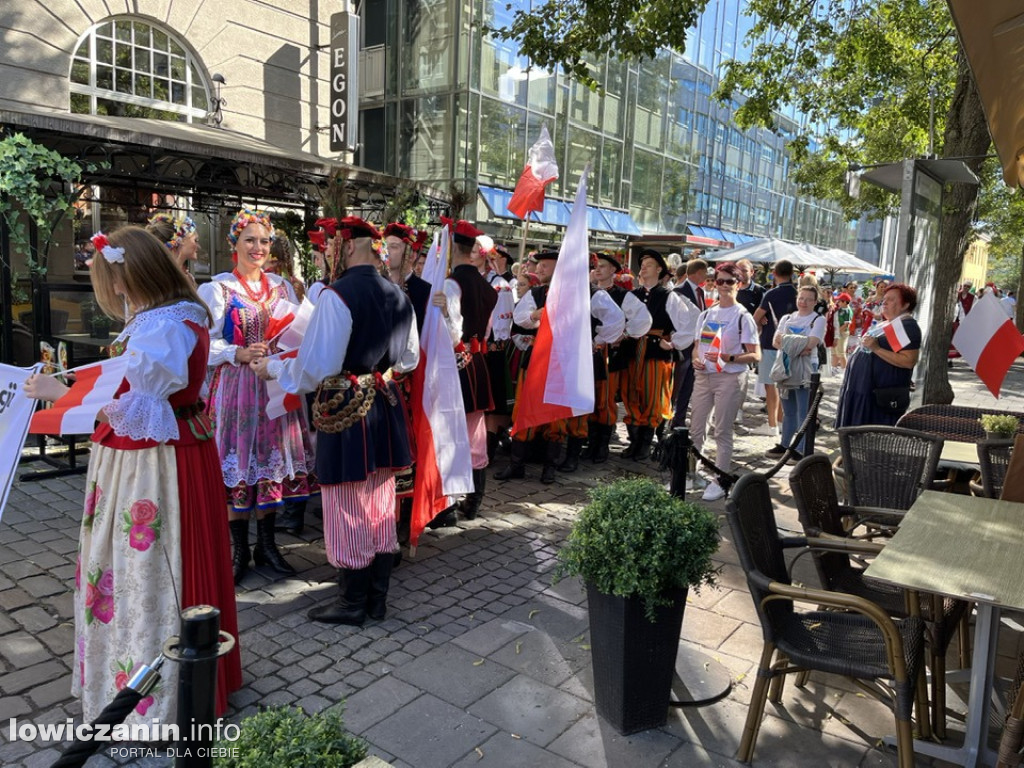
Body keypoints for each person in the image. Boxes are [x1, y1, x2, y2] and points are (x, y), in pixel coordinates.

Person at [24, 227, 241, 726]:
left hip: (153, 464)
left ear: (127, 276)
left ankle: (151, 697)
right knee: (172, 564)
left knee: (145, 568)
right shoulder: (172, 315)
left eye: (112, 280)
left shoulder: (161, 324)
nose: (112, 292)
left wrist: (59, 396)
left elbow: (137, 409)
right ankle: (187, 678)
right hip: (175, 450)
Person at [253, 216, 418, 625]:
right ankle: (376, 599)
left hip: (346, 405)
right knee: (379, 497)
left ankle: (351, 603)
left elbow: (316, 368)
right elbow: (410, 358)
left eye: (330, 245)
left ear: (345, 247)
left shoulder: (337, 295)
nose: (327, 252)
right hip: (384, 399)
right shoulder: (398, 293)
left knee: (345, 502)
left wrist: (274, 369)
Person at [198, 208, 315, 584]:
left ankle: (267, 544)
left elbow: (296, 333)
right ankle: (238, 551)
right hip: (236, 391)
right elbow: (201, 345)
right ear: (234, 244)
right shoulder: (217, 289)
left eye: (264, 241)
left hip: (275, 387)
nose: (258, 247)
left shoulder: (281, 287)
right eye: (249, 239)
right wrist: (237, 352)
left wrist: (282, 352)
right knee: (239, 466)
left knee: (270, 462)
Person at [428, 221, 498, 525]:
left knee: (451, 433)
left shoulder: (452, 284)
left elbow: (453, 333)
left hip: (457, 363)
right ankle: (473, 500)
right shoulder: (486, 285)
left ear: (453, 248)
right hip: (478, 363)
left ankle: (449, 506)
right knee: (474, 432)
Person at [689, 261, 761, 501]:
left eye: (729, 281)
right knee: (697, 428)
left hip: (729, 377)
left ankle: (720, 478)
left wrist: (728, 357)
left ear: (738, 284)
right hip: (704, 376)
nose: (723, 285)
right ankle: (692, 472)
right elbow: (697, 346)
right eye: (719, 280)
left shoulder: (743, 316)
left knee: (722, 430)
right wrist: (696, 360)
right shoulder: (707, 313)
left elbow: (755, 354)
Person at [622, 249, 699, 460]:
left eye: (649, 263)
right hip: (633, 349)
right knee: (631, 395)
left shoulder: (669, 296)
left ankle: (645, 443)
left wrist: (673, 343)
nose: (644, 266)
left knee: (654, 397)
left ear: (659, 269)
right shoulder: (632, 295)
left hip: (656, 351)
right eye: (642, 263)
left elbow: (689, 323)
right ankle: (634, 441)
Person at [587, 251, 652, 463]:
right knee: (589, 398)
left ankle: (601, 446)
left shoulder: (624, 295)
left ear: (614, 271)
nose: (598, 269)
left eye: (603, 266)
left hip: (610, 355)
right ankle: (589, 441)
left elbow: (644, 320)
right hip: (586, 354)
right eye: (596, 266)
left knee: (605, 399)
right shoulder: (586, 291)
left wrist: (622, 335)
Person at [835, 283, 921, 428]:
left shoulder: (905, 326)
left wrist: (876, 348)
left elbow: (908, 361)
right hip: (861, 392)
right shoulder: (889, 323)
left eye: (891, 299)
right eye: (884, 298)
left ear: (906, 304)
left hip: (875, 398)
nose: (884, 302)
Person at [768, 286, 825, 461]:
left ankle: (800, 448)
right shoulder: (787, 318)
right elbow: (775, 342)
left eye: (809, 299)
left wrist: (788, 343)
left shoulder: (818, 320)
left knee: (803, 410)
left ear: (815, 302)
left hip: (806, 369)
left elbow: (812, 342)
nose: (804, 302)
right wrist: (799, 346)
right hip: (786, 367)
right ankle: (785, 444)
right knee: (788, 410)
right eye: (801, 298)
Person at [752, 259, 797, 440]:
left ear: (774, 273)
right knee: (786, 386)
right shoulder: (797, 293)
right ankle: (780, 422)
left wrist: (762, 322)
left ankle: (772, 424)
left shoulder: (771, 294)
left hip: (771, 342)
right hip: (793, 344)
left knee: (771, 387)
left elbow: (755, 317)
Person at [670, 257, 708, 429]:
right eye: (705, 273)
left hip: (696, 346)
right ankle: (668, 418)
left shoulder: (701, 292)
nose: (706, 276)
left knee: (688, 386)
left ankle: (679, 419)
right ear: (699, 273)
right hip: (682, 347)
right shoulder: (678, 291)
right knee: (676, 385)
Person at [146, 212, 199, 283]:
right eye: (195, 240)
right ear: (182, 240)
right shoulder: (162, 279)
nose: (198, 246)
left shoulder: (187, 277)